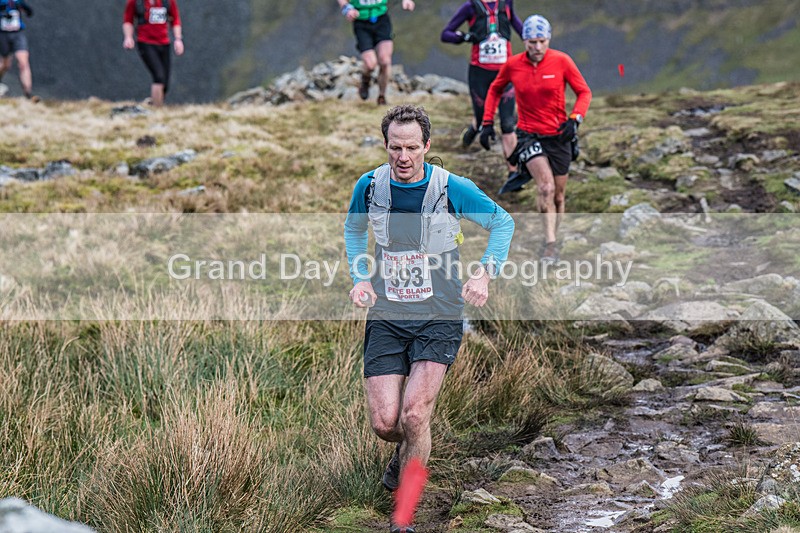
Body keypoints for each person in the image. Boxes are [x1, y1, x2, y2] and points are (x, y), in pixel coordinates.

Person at [344, 105, 514, 532]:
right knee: (387, 424)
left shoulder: (451, 187)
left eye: (412, 148)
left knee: (415, 416)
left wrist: (484, 272)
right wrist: (360, 277)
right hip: (386, 314)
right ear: (386, 145)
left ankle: (404, 516)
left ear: (427, 147)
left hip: (439, 314)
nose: (403, 157)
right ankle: (401, 454)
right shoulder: (368, 187)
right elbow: (353, 231)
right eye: (395, 148)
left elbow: (502, 223)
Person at [480, 14, 591, 263]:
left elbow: (584, 92)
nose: (537, 47)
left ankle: (554, 234)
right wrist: (487, 123)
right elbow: (495, 89)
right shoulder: (513, 64)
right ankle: (550, 245)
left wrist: (575, 118)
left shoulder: (562, 61)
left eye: (542, 41)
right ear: (525, 42)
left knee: (559, 196)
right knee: (545, 187)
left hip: (560, 135)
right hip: (529, 135)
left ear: (548, 39)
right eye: (532, 42)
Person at [440, 0, 523, 176]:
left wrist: (533, 41)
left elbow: (519, 26)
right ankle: (472, 130)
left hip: (505, 73)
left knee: (508, 123)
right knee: (482, 119)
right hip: (480, 75)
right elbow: (445, 34)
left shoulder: (506, 4)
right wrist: (465, 37)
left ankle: (513, 172)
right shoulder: (470, 7)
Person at [336, 0, 414, 106]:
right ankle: (365, 81)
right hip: (361, 22)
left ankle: (382, 96)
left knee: (385, 61)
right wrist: (347, 9)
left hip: (381, 20)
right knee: (370, 64)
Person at [123, 0, 184, 107]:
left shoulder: (168, 2)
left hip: (164, 43)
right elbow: (128, 20)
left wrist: (178, 39)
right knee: (159, 76)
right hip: (145, 43)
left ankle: (154, 101)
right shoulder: (136, 2)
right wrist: (128, 37)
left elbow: (175, 19)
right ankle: (157, 110)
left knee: (165, 83)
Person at [0, 0, 37, 101]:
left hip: (17, 34)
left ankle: (28, 93)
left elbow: (29, 11)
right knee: (5, 64)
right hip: (3, 35)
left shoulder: (17, 1)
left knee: (23, 62)